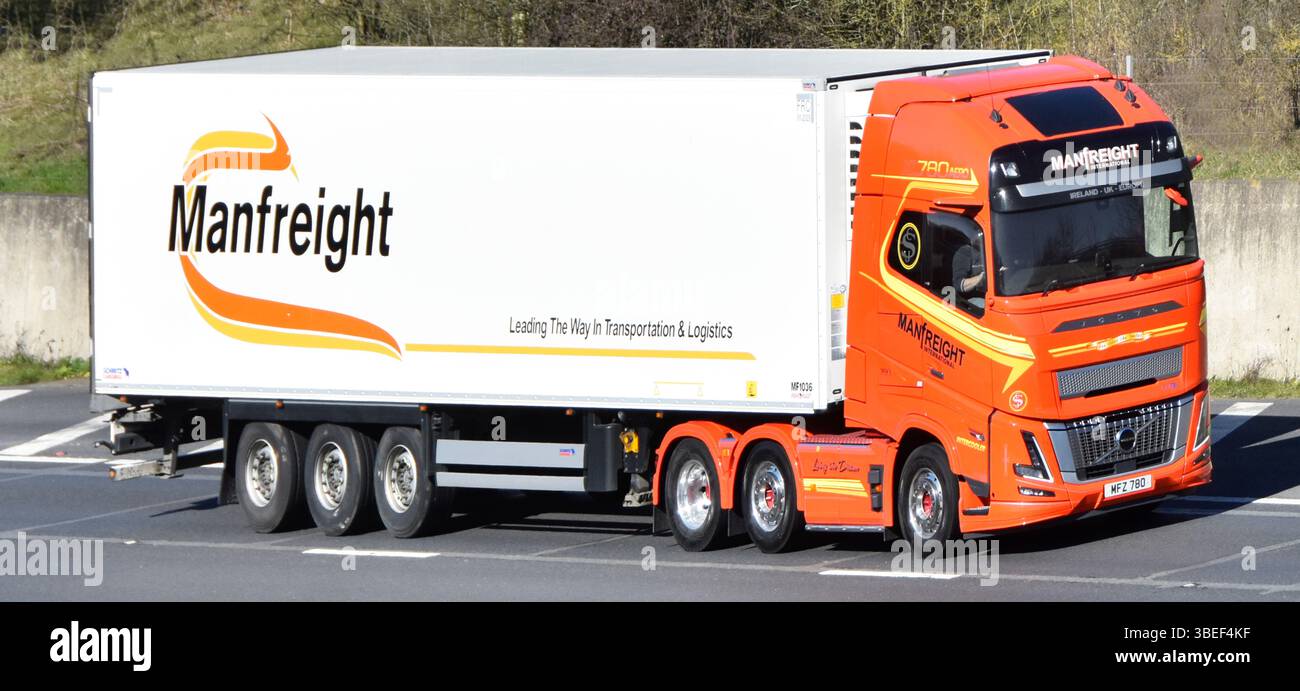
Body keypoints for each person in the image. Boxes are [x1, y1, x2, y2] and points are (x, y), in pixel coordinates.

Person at [951, 240, 986, 310]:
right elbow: (959, 285)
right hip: (970, 300)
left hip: (993, 296)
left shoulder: (992, 250)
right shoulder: (965, 252)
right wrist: (981, 277)